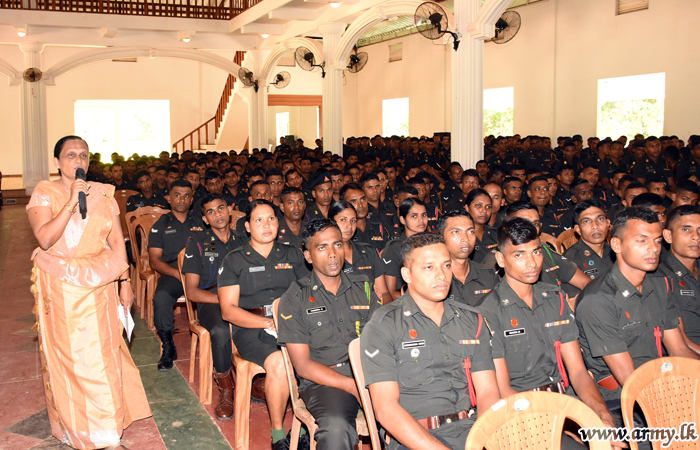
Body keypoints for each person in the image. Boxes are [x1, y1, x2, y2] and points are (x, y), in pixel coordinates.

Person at [27, 136, 150, 450]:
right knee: (74, 359)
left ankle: (107, 431)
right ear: (57, 162)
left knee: (104, 355)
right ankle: (80, 427)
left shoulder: (103, 194)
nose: (78, 160)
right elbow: (44, 239)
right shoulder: (45, 193)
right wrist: (71, 201)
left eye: (83, 154)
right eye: (70, 155)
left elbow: (117, 242)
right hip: (61, 286)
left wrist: (125, 282)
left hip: (100, 283)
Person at [478, 218, 621, 449]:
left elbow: (578, 371)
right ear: (501, 259)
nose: (531, 263)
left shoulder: (556, 298)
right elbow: (503, 389)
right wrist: (558, 423)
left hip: (565, 400)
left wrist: (600, 414)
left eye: (536, 252)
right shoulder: (488, 311)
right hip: (521, 412)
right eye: (519, 255)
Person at [361, 233, 501, 450]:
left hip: (472, 430)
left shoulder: (472, 320)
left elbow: (488, 392)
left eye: (446, 265)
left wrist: (484, 438)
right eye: (429, 268)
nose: (441, 275)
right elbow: (386, 410)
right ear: (406, 274)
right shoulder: (384, 325)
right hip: (416, 438)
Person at [576, 207, 700, 449]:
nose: (653, 249)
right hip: (621, 399)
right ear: (617, 245)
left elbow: (679, 350)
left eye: (655, 241)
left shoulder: (660, 285)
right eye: (641, 241)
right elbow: (631, 380)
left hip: (664, 382)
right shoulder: (598, 300)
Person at [277, 219, 383, 450]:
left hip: (372, 373)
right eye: (322, 247)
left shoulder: (363, 286)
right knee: (336, 428)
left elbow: (383, 339)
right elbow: (303, 366)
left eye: (337, 245)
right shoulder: (295, 298)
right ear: (308, 256)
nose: (333, 254)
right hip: (325, 382)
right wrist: (351, 385)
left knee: (418, 407)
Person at [217, 200, 310, 449]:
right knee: (279, 363)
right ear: (247, 226)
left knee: (326, 351)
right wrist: (268, 322)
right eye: (258, 220)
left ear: (278, 223)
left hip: (292, 323)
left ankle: (307, 426)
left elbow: (309, 295)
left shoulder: (293, 254)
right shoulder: (234, 259)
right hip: (251, 329)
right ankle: (279, 435)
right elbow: (228, 311)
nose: (266, 225)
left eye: (271, 218)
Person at [181, 194, 244, 420]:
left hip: (242, 296)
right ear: (205, 219)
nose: (217, 214)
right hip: (211, 299)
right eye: (211, 211)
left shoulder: (243, 241)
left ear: (229, 211)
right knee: (219, 331)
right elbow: (192, 292)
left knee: (265, 321)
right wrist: (224, 299)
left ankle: (259, 380)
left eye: (220, 208)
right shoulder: (197, 243)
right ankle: (226, 387)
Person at [148, 179, 200, 370]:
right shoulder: (160, 225)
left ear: (192, 199)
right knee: (161, 296)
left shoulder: (202, 222)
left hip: (202, 274)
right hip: (174, 274)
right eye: (177, 195)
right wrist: (178, 274)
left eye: (186, 196)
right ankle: (168, 347)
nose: (181, 200)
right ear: (168, 198)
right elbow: (154, 260)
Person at [330, 200, 392, 304]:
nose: (349, 225)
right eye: (343, 220)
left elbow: (384, 293)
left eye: (353, 221)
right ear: (331, 222)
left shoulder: (368, 251)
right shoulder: (326, 256)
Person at [659, 205, 700, 352]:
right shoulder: (660, 277)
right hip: (687, 359)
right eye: (686, 229)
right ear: (668, 236)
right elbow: (683, 343)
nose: (696, 236)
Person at [438, 210, 500, 306]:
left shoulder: (489, 276)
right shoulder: (435, 280)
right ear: (441, 238)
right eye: (456, 232)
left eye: (471, 232)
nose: (466, 239)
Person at [382, 198, 428, 300]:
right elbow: (391, 292)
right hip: (405, 302)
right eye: (414, 216)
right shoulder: (394, 248)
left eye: (424, 215)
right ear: (403, 220)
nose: (421, 220)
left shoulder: (430, 246)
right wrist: (421, 301)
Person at [563, 199, 614, 282]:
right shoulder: (571, 259)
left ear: (608, 223)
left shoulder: (616, 252)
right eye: (586, 221)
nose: (595, 226)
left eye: (600, 219)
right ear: (578, 229)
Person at [341, 183, 391, 253]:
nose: (360, 205)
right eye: (354, 201)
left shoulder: (378, 227)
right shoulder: (343, 231)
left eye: (362, 199)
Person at [464, 188, 498, 264]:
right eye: (478, 205)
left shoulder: (496, 234)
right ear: (467, 208)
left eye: (488, 207)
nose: (484, 210)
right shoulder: (461, 236)